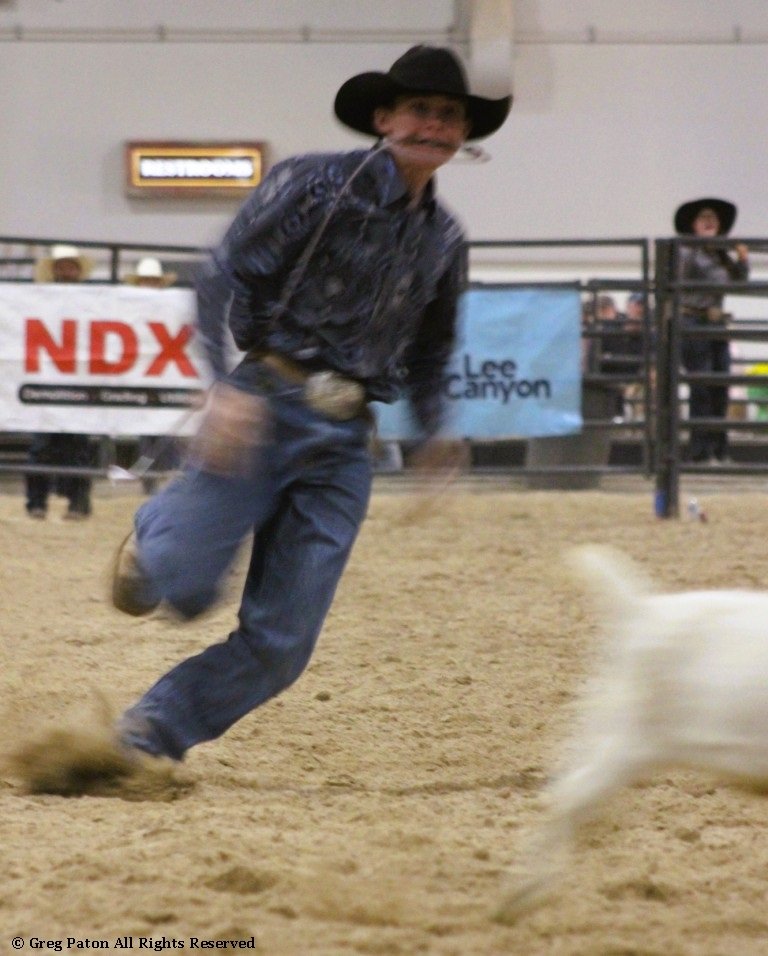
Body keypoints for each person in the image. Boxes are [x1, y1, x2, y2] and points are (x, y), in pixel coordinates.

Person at [107, 45, 511, 766]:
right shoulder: (313, 185)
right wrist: (216, 386)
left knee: (283, 644)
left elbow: (431, 348)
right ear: (384, 118)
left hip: (347, 437)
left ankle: (150, 732)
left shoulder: (445, 239)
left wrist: (435, 432)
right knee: (185, 587)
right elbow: (220, 273)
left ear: (462, 135)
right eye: (420, 108)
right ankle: (155, 537)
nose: (434, 124)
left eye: (449, 115)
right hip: (265, 401)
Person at [674, 197, 749, 463]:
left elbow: (739, 281)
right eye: (703, 218)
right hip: (693, 320)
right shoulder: (686, 250)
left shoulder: (719, 253)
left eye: (713, 219)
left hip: (715, 322)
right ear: (693, 225)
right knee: (702, 385)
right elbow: (678, 281)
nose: (709, 222)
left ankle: (719, 449)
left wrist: (741, 259)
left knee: (720, 385)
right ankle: (700, 451)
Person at [25, 244, 96, 519]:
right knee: (42, 445)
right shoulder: (40, 299)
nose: (67, 270)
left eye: (71, 265)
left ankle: (77, 503)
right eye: (62, 265)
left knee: (78, 444)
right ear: (54, 269)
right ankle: (37, 503)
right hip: (47, 378)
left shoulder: (92, 300)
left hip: (78, 378)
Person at [123, 257, 181, 493]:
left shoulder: (170, 308)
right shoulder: (132, 309)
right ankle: (149, 476)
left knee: (168, 429)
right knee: (148, 432)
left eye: (153, 281)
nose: (149, 285)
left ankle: (162, 475)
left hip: (166, 371)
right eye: (146, 281)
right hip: (146, 373)